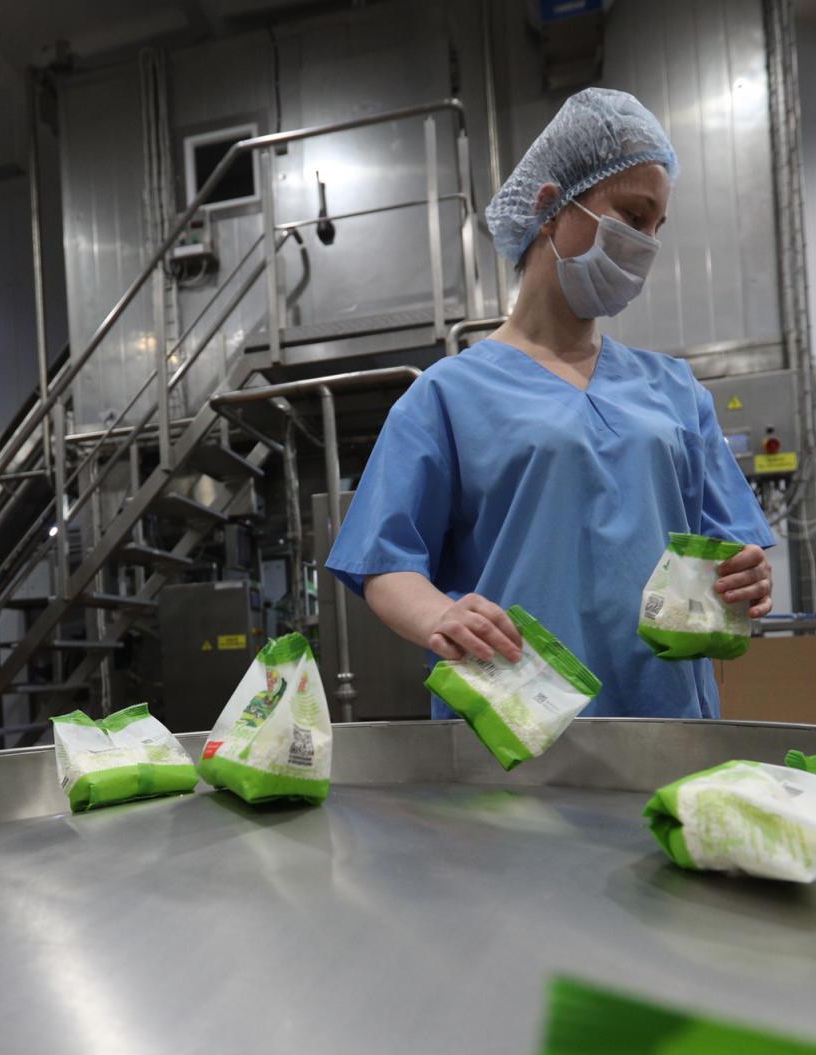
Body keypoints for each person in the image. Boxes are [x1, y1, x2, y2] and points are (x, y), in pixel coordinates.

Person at [324, 87, 776, 720]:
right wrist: (440, 616)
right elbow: (385, 563)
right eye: (632, 214)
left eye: (657, 226)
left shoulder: (675, 391)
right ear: (550, 207)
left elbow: (731, 553)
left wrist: (748, 578)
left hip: (667, 719)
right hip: (518, 720)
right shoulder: (447, 396)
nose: (646, 242)